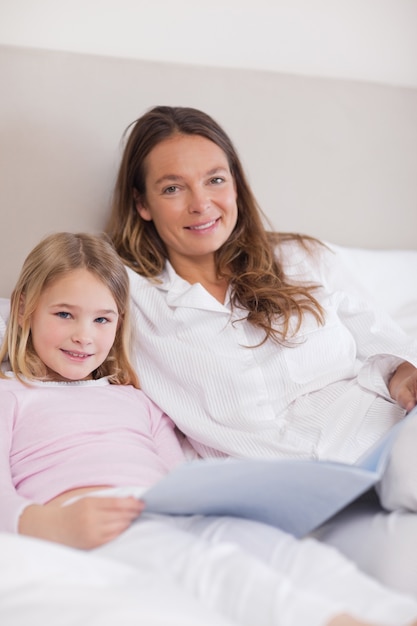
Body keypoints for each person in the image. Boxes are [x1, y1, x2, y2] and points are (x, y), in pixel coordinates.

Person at [4, 232, 416, 626]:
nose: (83, 336)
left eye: (101, 319)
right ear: (23, 308)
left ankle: (395, 613)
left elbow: (177, 474)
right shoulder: (10, 394)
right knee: (214, 569)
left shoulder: (134, 397)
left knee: (277, 549)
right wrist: (48, 525)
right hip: (95, 518)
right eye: (64, 315)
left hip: (160, 508)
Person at [105, 105, 417, 584]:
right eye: (172, 188)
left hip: (385, 439)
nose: (201, 204)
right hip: (295, 505)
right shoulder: (129, 298)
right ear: (142, 204)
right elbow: (46, 324)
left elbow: (381, 337)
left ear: (235, 184)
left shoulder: (299, 259)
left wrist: (402, 373)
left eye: (214, 180)